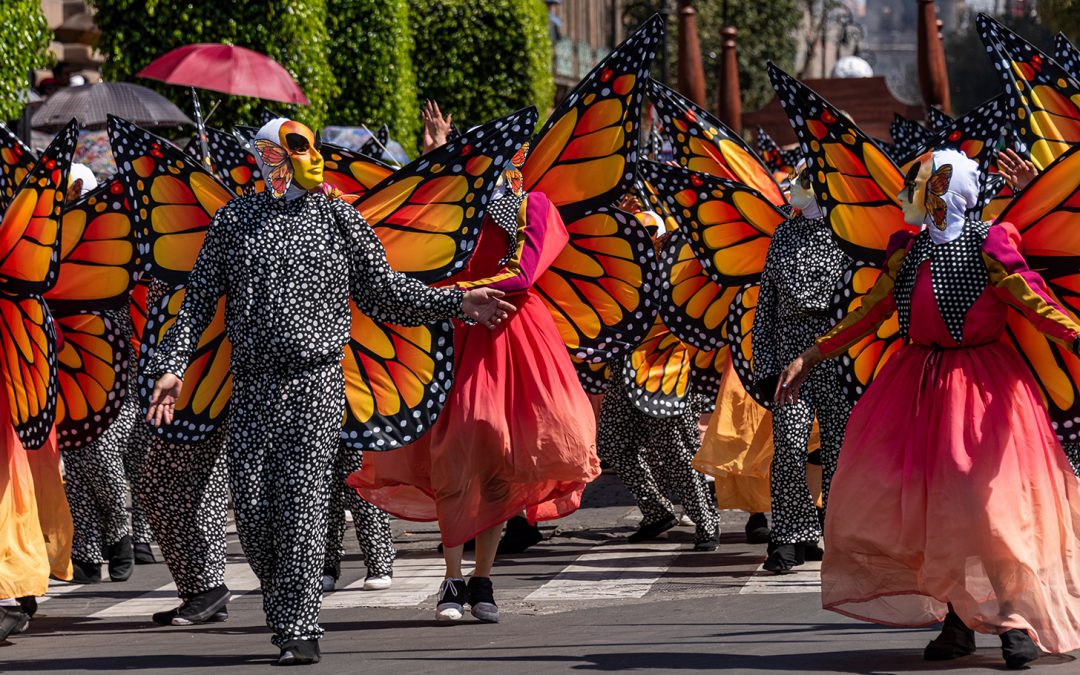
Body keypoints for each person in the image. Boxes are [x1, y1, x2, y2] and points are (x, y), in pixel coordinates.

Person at [145, 117, 513, 665]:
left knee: (301, 504)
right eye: (298, 147)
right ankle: (286, 603)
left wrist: (457, 303)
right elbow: (198, 301)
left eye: (313, 144)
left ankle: (298, 629)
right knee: (252, 512)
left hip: (317, 384)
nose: (313, 156)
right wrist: (173, 365)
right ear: (270, 156)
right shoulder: (234, 222)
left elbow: (385, 291)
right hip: (252, 388)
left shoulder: (337, 215)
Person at [777, 148, 1080, 668]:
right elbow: (870, 311)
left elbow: (1032, 299)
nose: (905, 193)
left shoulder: (990, 242)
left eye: (916, 183)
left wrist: (1076, 336)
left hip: (986, 393)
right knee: (937, 512)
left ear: (944, 189)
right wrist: (811, 353)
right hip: (919, 390)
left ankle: (1013, 617)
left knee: (990, 508)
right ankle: (959, 622)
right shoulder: (909, 250)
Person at [354, 111, 600, 625]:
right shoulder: (464, 199)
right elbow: (422, 223)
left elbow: (525, 269)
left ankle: (483, 578)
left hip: (512, 336)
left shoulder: (535, 206)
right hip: (454, 330)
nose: (505, 160)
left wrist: (462, 291)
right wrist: (437, 154)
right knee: (451, 455)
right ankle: (451, 577)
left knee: (497, 461)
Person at [752, 161, 853, 573]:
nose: (795, 187)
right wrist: (765, 367)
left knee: (839, 451)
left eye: (805, 181)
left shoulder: (848, 233)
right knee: (790, 447)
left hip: (835, 352)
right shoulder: (784, 234)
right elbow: (766, 306)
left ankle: (839, 534)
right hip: (789, 356)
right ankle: (790, 536)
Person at [322, 444, 395, 592]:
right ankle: (324, 565)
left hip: (359, 423)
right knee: (323, 492)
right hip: (317, 425)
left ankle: (379, 562)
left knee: (363, 488)